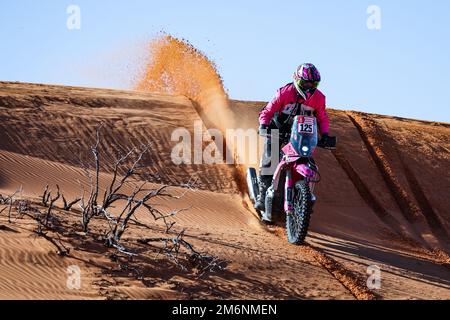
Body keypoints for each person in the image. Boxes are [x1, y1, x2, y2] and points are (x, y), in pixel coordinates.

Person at [254, 63, 334, 211]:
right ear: (296, 80)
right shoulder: (284, 92)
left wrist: (326, 134)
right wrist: (264, 125)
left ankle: (304, 197)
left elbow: (322, 118)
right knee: (270, 159)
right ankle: (262, 194)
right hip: (278, 128)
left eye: (313, 84)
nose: (309, 87)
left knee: (308, 160)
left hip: (300, 133)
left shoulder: (319, 98)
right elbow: (267, 111)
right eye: (305, 83)